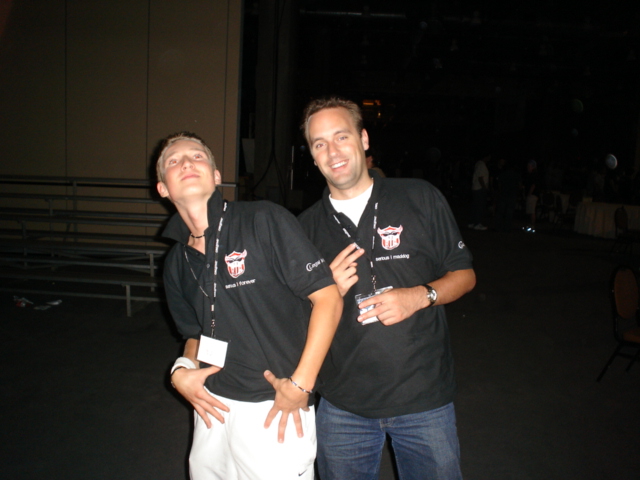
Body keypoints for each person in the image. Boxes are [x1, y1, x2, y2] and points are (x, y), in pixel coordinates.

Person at [297, 97, 476, 480]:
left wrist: (420, 296)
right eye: (319, 143)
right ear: (312, 156)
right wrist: (325, 292)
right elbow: (291, 316)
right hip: (342, 404)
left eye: (341, 136)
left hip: (424, 399)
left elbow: (464, 275)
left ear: (363, 139)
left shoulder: (419, 197)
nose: (333, 151)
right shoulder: (304, 229)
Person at [156, 132, 342, 480]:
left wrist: (301, 386)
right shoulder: (175, 261)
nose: (186, 163)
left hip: (273, 405)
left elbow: (328, 298)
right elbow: (193, 333)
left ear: (216, 176)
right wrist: (181, 370)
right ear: (162, 188)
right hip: (210, 405)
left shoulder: (263, 219)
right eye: (173, 161)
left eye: (197, 156)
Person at [468, 155, 490, 230]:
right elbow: (480, 178)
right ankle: (477, 223)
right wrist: (484, 188)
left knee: (475, 206)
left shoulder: (478, 164)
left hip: (476, 188)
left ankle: (472, 222)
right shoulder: (481, 165)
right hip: (479, 188)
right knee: (479, 206)